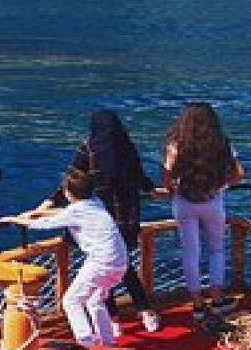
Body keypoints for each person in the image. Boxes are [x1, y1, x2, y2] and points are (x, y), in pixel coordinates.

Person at [32, 109, 162, 332]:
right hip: (125, 215)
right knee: (123, 266)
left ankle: (113, 319)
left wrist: (49, 202)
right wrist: (151, 189)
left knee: (102, 269)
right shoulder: (125, 146)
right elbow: (139, 175)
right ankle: (145, 311)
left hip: (96, 215)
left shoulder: (89, 146)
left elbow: (73, 179)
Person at [0, 167, 129, 346]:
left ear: (69, 193)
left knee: (71, 301)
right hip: (120, 262)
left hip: (101, 263)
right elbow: (66, 212)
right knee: (94, 300)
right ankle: (108, 342)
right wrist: (38, 212)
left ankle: (86, 341)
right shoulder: (95, 202)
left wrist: (14, 219)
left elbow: (42, 224)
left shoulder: (76, 211)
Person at [158, 101, 247, 321]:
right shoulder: (221, 143)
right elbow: (239, 174)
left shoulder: (175, 145)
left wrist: (171, 189)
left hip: (184, 201)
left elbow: (167, 177)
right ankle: (217, 299)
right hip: (212, 200)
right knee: (216, 250)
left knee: (191, 253)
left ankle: (198, 305)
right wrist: (220, 185)